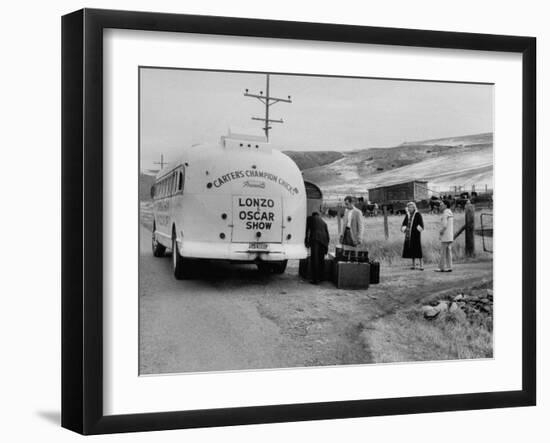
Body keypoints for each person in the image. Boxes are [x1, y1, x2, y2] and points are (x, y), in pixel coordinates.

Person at [305, 212, 330, 284]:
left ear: (312, 215)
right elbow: (328, 236)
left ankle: (315, 280)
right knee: (321, 259)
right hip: (324, 241)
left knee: (315, 259)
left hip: (315, 239)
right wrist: (326, 247)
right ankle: (321, 278)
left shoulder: (310, 218)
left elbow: (307, 230)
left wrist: (306, 241)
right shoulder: (324, 222)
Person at [401, 202, 424, 270]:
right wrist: (405, 229)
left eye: (411, 207)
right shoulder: (407, 215)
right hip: (409, 234)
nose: (409, 208)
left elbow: (421, 224)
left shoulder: (418, 214)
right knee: (411, 249)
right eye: (408, 207)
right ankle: (413, 265)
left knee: (418, 249)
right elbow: (404, 224)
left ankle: (421, 265)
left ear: (414, 207)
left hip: (416, 234)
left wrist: (416, 230)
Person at [435, 200, 454, 272]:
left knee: (443, 252)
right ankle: (449, 267)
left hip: (445, 235)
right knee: (448, 251)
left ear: (445, 205)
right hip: (450, 235)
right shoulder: (450, 212)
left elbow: (444, 225)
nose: (440, 206)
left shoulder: (445, 213)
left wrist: (441, 232)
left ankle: (441, 267)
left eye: (441, 205)